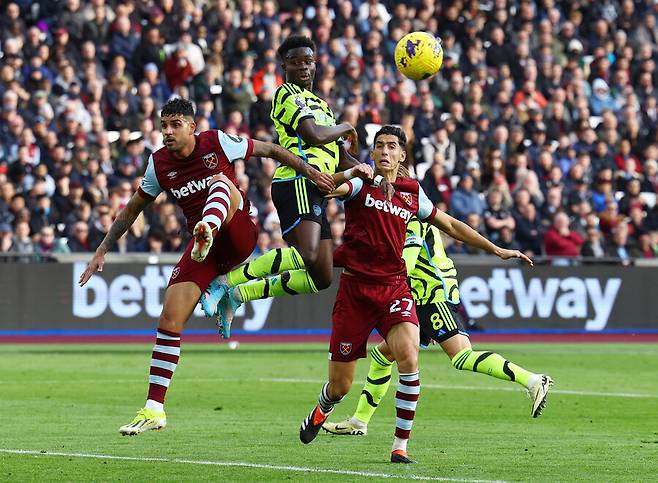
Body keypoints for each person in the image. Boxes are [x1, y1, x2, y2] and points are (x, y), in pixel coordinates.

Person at [78, 98, 333, 436]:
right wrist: (102, 248)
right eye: (163, 125)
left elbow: (271, 150)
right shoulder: (159, 164)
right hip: (207, 253)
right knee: (169, 317)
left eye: (175, 125)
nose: (167, 132)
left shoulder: (216, 142)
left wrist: (310, 171)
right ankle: (154, 409)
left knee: (221, 184)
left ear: (191, 126)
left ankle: (206, 230)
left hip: (237, 231)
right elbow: (131, 210)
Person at [297, 126, 533, 464]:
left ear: (402, 155)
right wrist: (348, 171)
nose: (384, 152)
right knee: (340, 386)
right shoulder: (361, 183)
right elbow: (329, 188)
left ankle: (399, 446)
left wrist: (496, 249)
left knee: (408, 356)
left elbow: (450, 225)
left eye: (392, 147)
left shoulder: (412, 192)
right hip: (356, 292)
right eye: (379, 146)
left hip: (394, 288)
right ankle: (322, 409)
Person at [201, 35, 385, 335]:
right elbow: (312, 134)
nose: (303, 66)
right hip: (297, 180)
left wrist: (372, 175)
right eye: (296, 61)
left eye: (308, 61)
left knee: (321, 276)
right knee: (308, 253)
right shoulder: (286, 94)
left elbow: (339, 155)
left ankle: (239, 295)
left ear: (316, 64)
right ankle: (226, 281)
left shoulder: (323, 105)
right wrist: (346, 126)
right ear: (284, 64)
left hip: (319, 188)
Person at [322, 215, 553, 439]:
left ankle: (533, 381)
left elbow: (407, 266)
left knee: (461, 356)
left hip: (431, 295)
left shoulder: (410, 219)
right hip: (422, 296)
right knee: (383, 355)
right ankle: (359, 422)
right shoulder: (407, 215)